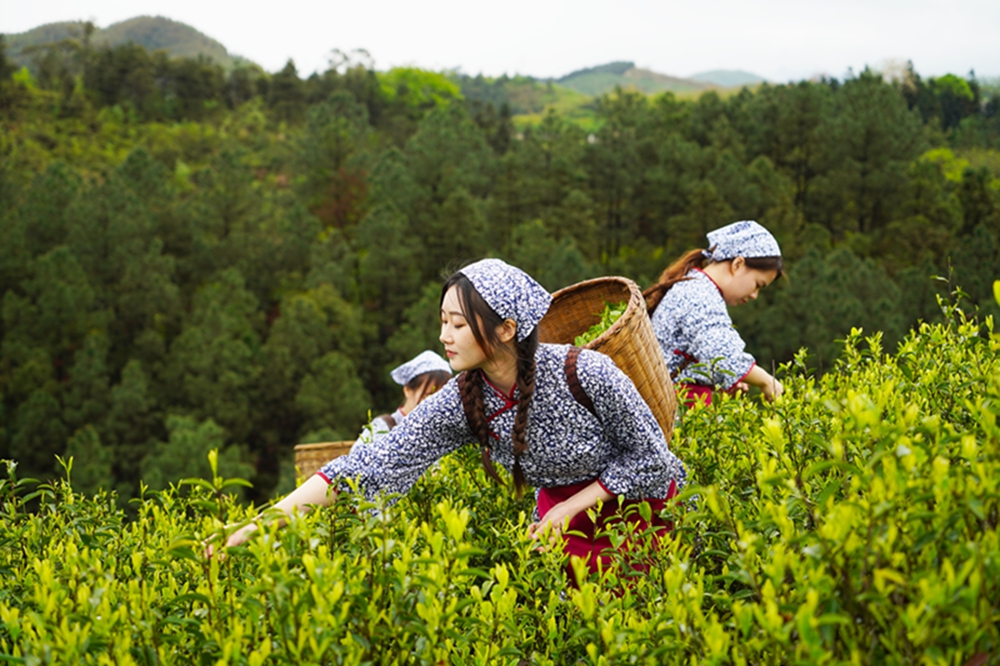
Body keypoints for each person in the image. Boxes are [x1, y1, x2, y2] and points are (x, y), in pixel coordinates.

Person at [218, 259, 687, 575]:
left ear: (506, 328)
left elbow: (653, 461)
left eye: (458, 324)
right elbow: (372, 466)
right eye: (443, 321)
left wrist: (567, 508)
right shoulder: (463, 399)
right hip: (562, 534)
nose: (444, 335)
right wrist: (254, 526)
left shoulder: (584, 371)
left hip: (639, 519)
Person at [644, 220, 784, 407]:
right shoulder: (698, 294)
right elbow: (722, 353)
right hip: (671, 414)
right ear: (738, 264)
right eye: (757, 284)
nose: (754, 295)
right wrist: (766, 381)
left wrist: (725, 381)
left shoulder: (696, 287)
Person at [351, 350, 452, 453]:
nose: (435, 403)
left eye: (441, 398)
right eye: (428, 395)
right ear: (408, 389)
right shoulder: (383, 428)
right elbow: (353, 464)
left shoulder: (445, 433)